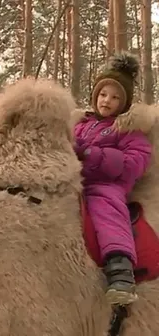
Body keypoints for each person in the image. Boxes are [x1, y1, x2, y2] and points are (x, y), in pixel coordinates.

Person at [73, 53, 152, 305]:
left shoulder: (127, 129)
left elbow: (133, 164)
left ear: (124, 103)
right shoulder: (80, 124)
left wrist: (91, 154)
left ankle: (120, 270)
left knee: (106, 208)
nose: (107, 100)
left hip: (104, 185)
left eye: (115, 97)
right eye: (103, 94)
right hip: (72, 180)